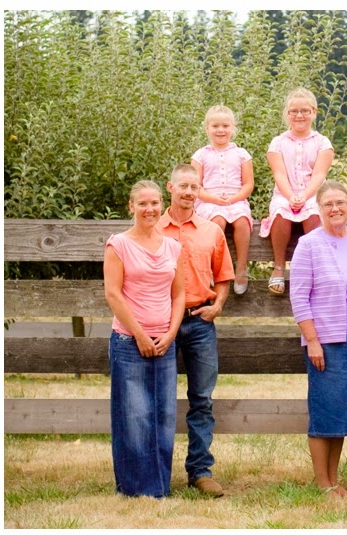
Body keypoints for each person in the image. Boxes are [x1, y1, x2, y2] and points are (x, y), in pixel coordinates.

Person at [289, 180, 347, 498]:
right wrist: (312, 340)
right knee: (325, 408)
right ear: (319, 209)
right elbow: (299, 297)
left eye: (340, 202)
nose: (335, 209)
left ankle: (335, 481)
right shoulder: (309, 244)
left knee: (343, 409)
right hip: (326, 339)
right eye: (328, 204)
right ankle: (323, 484)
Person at [157, 163, 235, 498]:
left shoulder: (211, 231)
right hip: (161, 322)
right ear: (170, 187)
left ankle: (200, 471)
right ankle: (157, 472)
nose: (189, 192)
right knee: (160, 399)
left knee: (202, 399)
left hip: (200, 322)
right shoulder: (153, 229)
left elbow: (224, 275)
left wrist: (217, 306)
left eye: (194, 187)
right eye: (183, 186)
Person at [104, 180, 185, 498]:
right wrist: (139, 334)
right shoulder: (118, 245)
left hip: (164, 342)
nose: (149, 209)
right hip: (129, 341)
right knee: (134, 416)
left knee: (164, 415)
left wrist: (171, 333)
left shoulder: (172, 247)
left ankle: (159, 487)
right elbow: (113, 294)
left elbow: (179, 295)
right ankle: (135, 488)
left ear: (162, 205)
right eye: (142, 204)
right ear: (131, 207)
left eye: (154, 203)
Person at [260, 88, 334, 296]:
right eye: (294, 111)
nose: (299, 115)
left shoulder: (322, 143)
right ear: (287, 113)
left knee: (313, 214)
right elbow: (279, 174)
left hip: (313, 193)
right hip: (285, 193)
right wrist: (291, 196)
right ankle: (279, 265)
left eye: (304, 111)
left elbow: (319, 174)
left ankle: (312, 268)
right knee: (281, 213)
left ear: (314, 112)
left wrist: (305, 196)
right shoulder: (278, 142)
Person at [191, 105, 254, 295]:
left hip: (236, 199)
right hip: (209, 200)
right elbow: (195, 186)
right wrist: (213, 199)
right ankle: (214, 267)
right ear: (207, 128)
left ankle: (241, 267)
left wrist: (234, 198)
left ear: (233, 128)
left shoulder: (242, 154)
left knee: (242, 222)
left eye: (225, 126)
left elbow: (248, 184)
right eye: (215, 126)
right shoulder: (200, 155)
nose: (220, 130)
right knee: (217, 221)